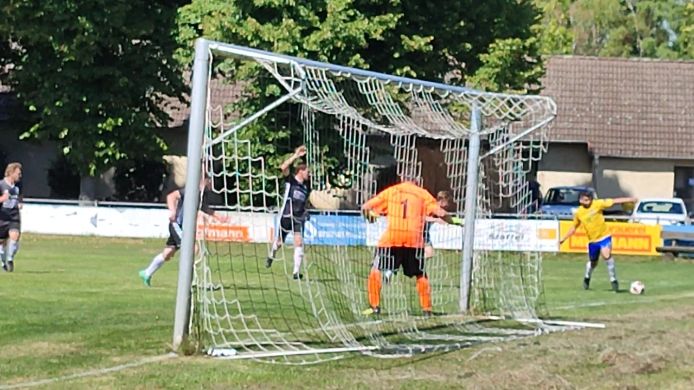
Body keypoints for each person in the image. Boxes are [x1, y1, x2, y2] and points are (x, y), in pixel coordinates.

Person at [362, 180, 462, 315]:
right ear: (417, 182)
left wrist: (370, 216)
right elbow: (441, 213)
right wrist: (455, 221)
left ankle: (375, 306)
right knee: (421, 274)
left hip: (392, 238)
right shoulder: (422, 194)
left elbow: (366, 207)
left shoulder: (392, 191)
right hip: (414, 241)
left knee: (376, 270)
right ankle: (427, 309)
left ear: (402, 178)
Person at [138, 176, 224, 287]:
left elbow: (203, 207)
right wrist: (173, 211)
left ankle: (146, 273)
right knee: (193, 249)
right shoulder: (190, 191)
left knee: (168, 253)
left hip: (184, 228)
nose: (212, 184)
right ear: (205, 181)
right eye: (211, 181)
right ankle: (189, 281)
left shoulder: (201, 195)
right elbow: (171, 196)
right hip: (177, 225)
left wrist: (218, 217)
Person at [559, 191, 637, 292]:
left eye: (588, 200)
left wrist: (630, 199)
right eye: (584, 200)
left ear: (591, 200)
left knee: (606, 255)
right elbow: (574, 227)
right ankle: (587, 277)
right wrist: (563, 238)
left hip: (604, 236)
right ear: (580, 200)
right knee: (593, 263)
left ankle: (613, 280)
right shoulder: (579, 212)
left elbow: (614, 201)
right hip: (593, 241)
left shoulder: (598, 204)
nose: (586, 202)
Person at [266, 145, 311, 280]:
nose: (309, 173)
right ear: (300, 171)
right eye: (307, 171)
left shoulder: (306, 187)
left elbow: (304, 202)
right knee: (279, 242)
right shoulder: (290, 180)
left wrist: (306, 211)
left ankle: (296, 272)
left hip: (298, 218)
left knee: (299, 242)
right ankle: (271, 254)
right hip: (286, 215)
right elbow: (283, 167)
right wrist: (296, 155)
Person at [0, 162, 23, 272]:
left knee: (15, 236)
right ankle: (4, 262)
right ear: (11, 173)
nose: (20, 175)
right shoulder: (1, 185)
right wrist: (2, 199)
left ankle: (10, 259)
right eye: (18, 173)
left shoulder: (18, 186)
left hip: (14, 215)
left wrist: (20, 202)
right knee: (2, 243)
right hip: (2, 216)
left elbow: (20, 196)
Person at [423, 191, 455, 259]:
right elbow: (422, 217)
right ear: (442, 201)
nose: (448, 205)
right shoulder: (433, 205)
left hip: (424, 232)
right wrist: (437, 220)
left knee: (429, 253)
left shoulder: (432, 205)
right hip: (420, 232)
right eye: (448, 202)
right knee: (429, 253)